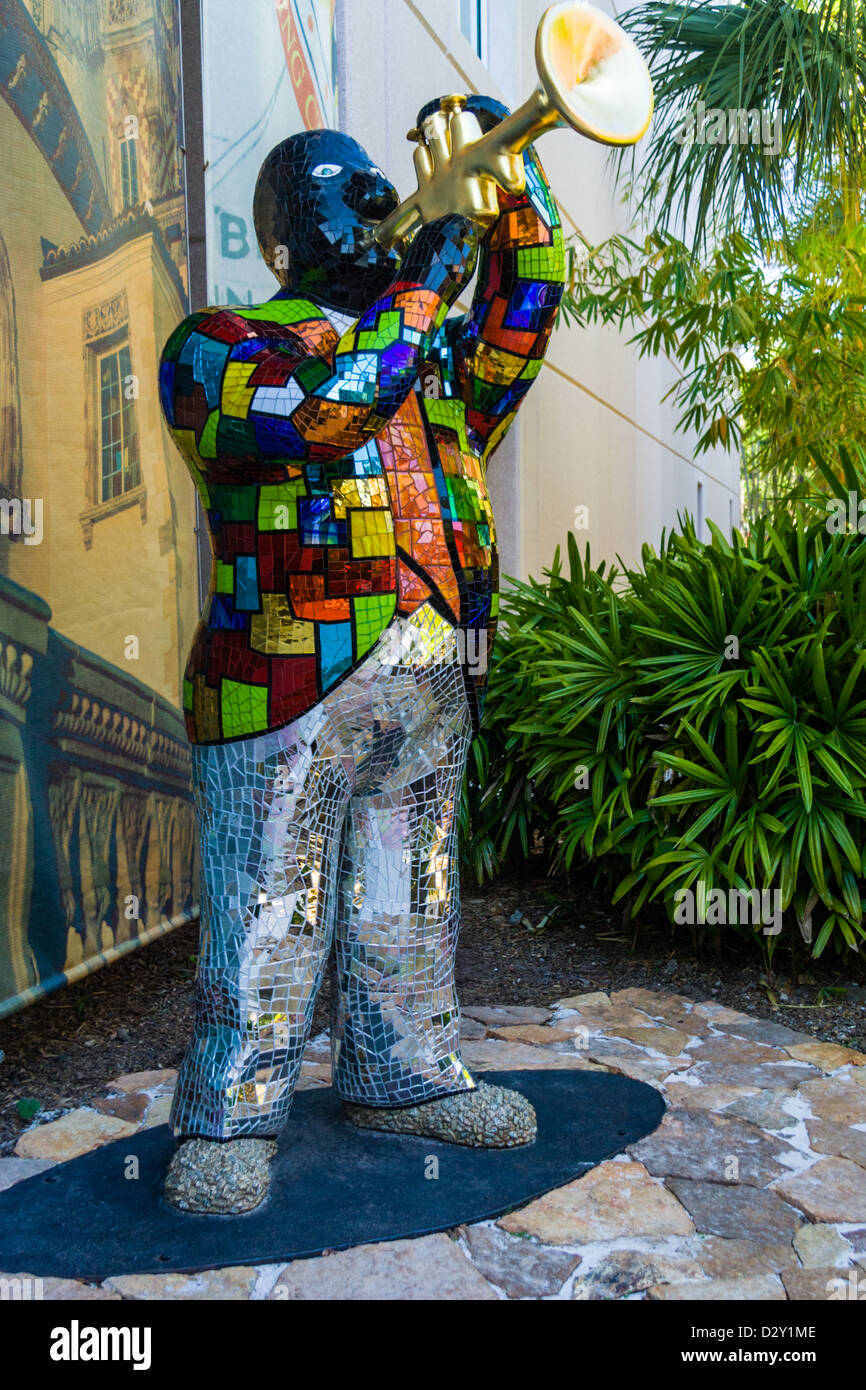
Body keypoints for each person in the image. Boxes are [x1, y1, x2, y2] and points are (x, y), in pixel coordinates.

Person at [158, 95, 564, 1213]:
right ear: (283, 241)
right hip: (280, 681)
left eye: (382, 191)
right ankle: (232, 1117)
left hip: (431, 662)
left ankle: (404, 1071)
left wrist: (509, 179)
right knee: (270, 903)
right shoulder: (220, 347)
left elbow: (527, 313)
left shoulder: (424, 357)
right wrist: (425, 282)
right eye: (351, 198)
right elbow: (323, 414)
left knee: (412, 885)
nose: (383, 207)